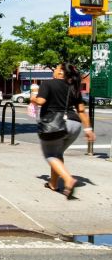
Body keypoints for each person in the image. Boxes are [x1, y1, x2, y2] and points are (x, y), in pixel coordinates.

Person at [31, 62, 95, 199]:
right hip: (75, 124)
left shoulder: (48, 84)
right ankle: (53, 183)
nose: (54, 70)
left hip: (55, 124)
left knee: (50, 155)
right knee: (57, 154)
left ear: (60, 72)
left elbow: (40, 101)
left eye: (56, 69)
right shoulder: (74, 87)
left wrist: (33, 96)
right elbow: (82, 110)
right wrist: (88, 129)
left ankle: (68, 179)